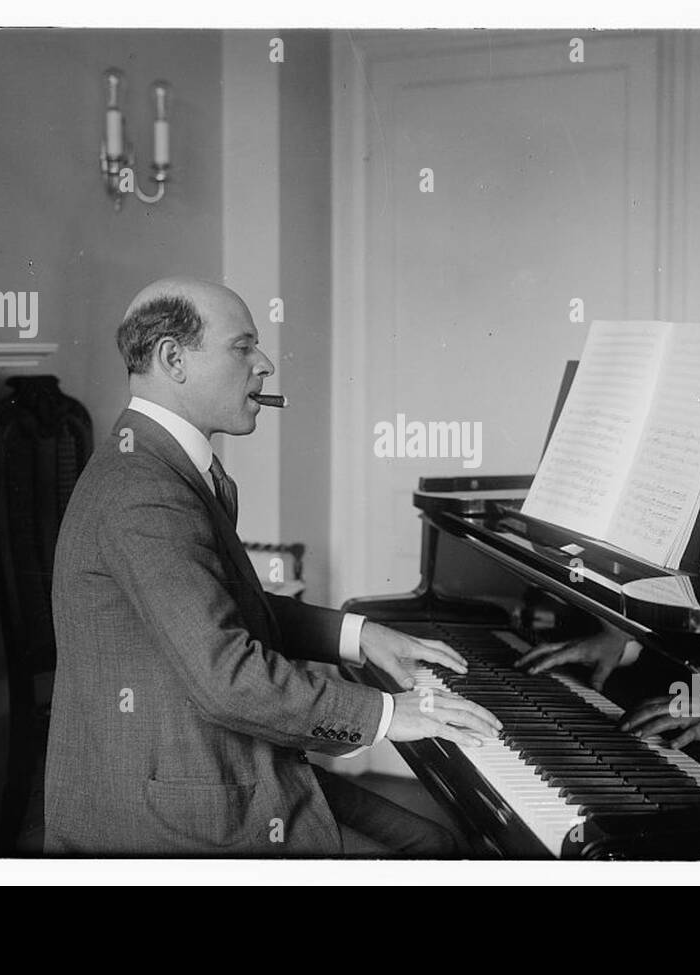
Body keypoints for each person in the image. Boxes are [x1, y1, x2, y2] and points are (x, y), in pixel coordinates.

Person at [44, 278, 501, 856]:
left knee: (433, 844)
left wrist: (363, 637)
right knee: (430, 854)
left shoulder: (162, 466)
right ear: (172, 358)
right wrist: (387, 714)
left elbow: (229, 614)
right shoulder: (143, 489)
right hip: (172, 804)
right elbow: (226, 678)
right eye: (243, 347)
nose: (264, 364)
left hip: (213, 766)